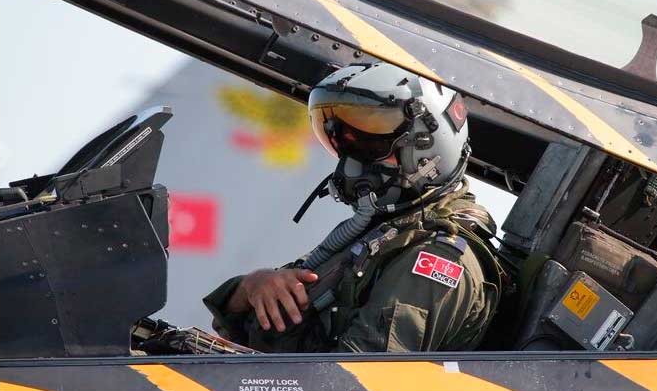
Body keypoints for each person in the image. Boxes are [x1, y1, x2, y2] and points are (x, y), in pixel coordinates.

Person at [203, 63, 504, 353]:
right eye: (341, 140)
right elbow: (256, 319)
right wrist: (253, 286)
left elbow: (354, 378)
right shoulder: (387, 231)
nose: (351, 163)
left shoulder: (436, 259)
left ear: (429, 147)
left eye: (369, 143)